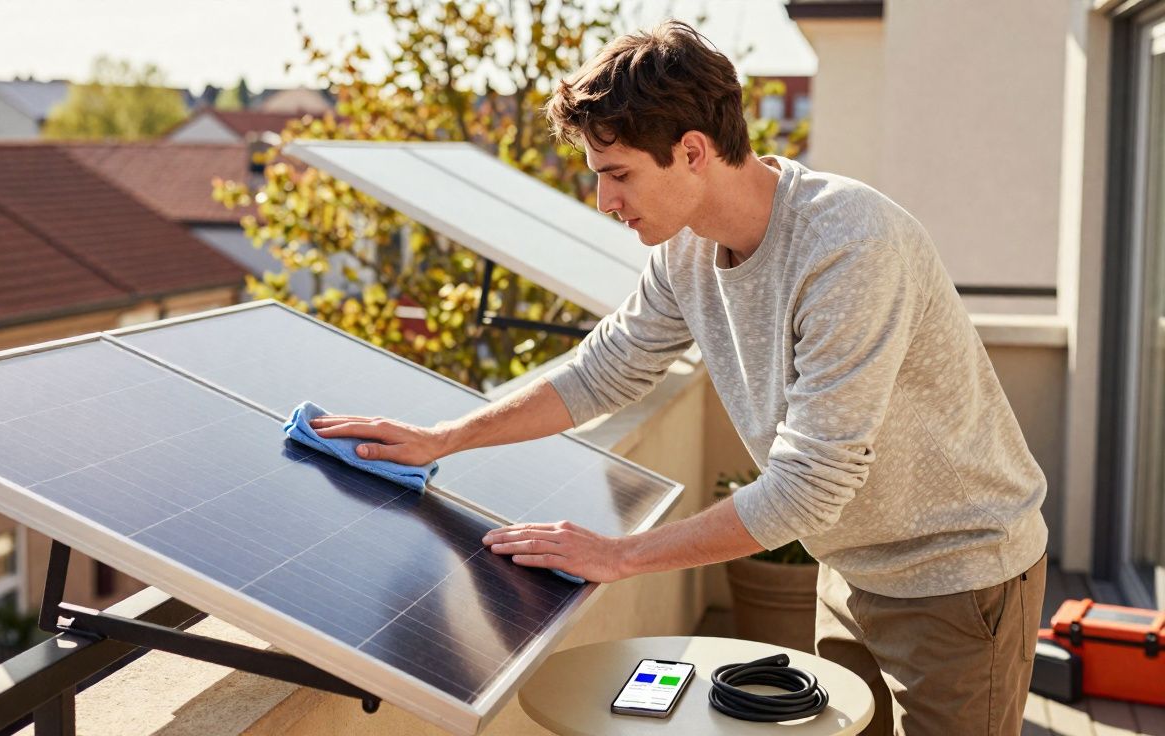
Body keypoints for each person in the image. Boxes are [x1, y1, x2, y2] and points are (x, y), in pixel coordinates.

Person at [309, 20, 1048, 736]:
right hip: (849, 570)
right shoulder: (686, 249)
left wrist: (617, 556)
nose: (605, 202)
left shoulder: (849, 245)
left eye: (619, 174)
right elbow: (604, 371)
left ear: (693, 151)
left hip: (957, 578)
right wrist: (445, 438)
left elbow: (810, 486)